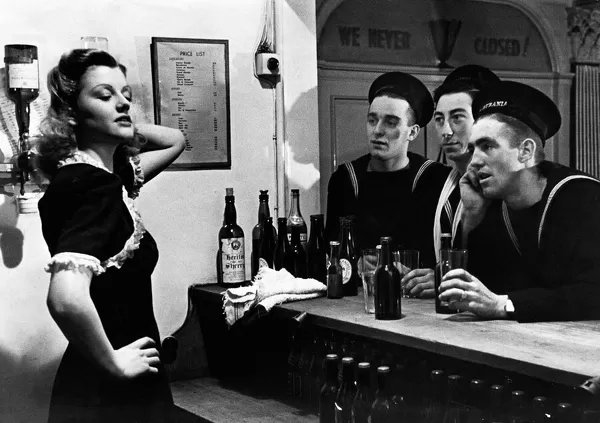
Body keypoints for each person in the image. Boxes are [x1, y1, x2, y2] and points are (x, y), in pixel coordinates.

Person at [34, 49, 185, 422]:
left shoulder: (101, 177)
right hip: (114, 394)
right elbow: (66, 298)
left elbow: (175, 140)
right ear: (71, 110)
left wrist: (123, 125)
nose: (122, 104)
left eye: (126, 96)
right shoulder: (94, 185)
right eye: (104, 95)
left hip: (94, 381)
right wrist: (115, 363)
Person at [438, 80, 600, 322]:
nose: (473, 163)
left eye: (487, 146)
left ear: (525, 152)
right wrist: (471, 218)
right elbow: (477, 289)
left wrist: (503, 304)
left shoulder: (580, 195)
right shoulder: (492, 201)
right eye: (473, 150)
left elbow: (592, 293)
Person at [325, 71, 448, 269]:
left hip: (417, 297)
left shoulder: (435, 179)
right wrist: (355, 264)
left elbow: (454, 251)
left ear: (413, 132)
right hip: (360, 297)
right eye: (372, 120)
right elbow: (330, 250)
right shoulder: (346, 179)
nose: (377, 131)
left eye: (391, 122)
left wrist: (433, 275)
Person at [403, 65, 499, 298]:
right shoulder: (439, 185)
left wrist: (442, 278)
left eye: (457, 118)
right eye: (439, 119)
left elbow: (505, 270)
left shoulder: (502, 185)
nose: (446, 131)